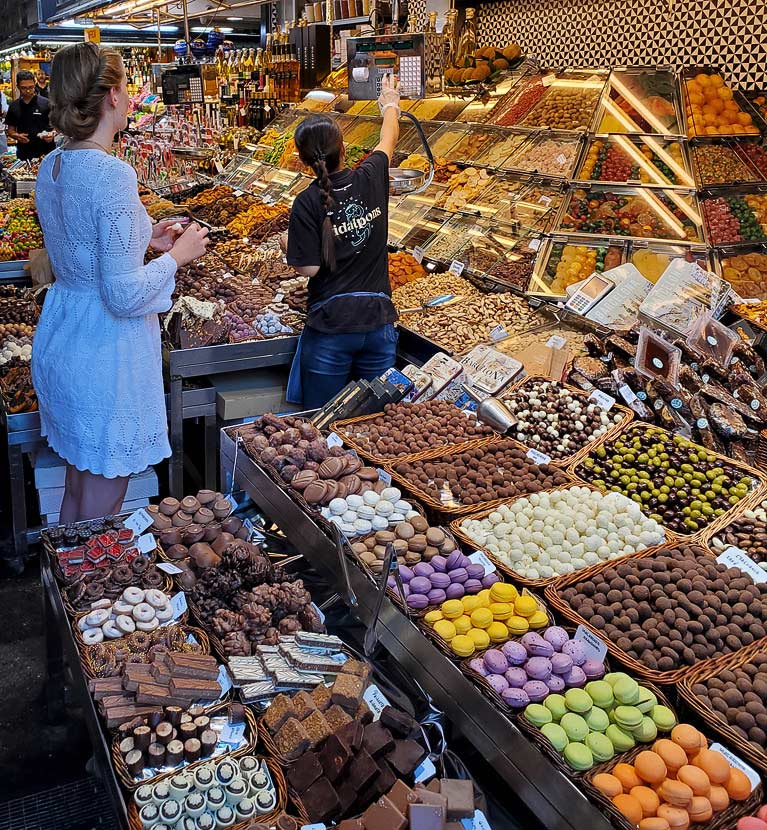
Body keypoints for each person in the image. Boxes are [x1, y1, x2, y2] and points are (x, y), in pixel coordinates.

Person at [31, 43, 209, 522]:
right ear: (111, 96)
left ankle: (64, 584)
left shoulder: (54, 165)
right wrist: (177, 256)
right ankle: (87, 593)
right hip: (104, 357)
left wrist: (143, 237)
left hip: (66, 338)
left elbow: (81, 244)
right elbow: (123, 293)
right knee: (101, 507)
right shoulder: (112, 174)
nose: (131, 99)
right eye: (128, 88)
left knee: (78, 490)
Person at [283, 75, 401, 409]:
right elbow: (388, 138)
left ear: (304, 162)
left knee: (323, 421)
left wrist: (286, 245)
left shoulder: (307, 201)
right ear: (344, 149)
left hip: (332, 327)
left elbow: (308, 268)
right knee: (376, 420)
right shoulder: (370, 174)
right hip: (378, 322)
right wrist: (389, 102)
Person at [6, 70, 54, 161]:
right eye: (24, 88)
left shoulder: (46, 103)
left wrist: (52, 134)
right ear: (18, 87)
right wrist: (17, 136)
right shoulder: (13, 106)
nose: (28, 91)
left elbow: (57, 126)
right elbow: (10, 130)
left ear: (34, 84)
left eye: (31, 87)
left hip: (47, 151)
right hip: (24, 153)